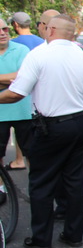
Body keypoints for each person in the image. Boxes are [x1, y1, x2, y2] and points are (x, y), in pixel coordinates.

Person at [0, 14, 83, 248]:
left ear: (50, 30)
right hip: (80, 123)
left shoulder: (39, 55)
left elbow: (16, 93)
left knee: (41, 181)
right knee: (75, 180)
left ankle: (41, 239)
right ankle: (73, 235)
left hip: (51, 126)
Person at [0, 18, 33, 172]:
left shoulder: (21, 50)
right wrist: (12, 80)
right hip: (1, 114)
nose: (2, 33)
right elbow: (17, 80)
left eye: (5, 29)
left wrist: (17, 80)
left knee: (32, 154)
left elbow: (23, 78)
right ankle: (1, 189)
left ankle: (37, 190)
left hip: (23, 112)